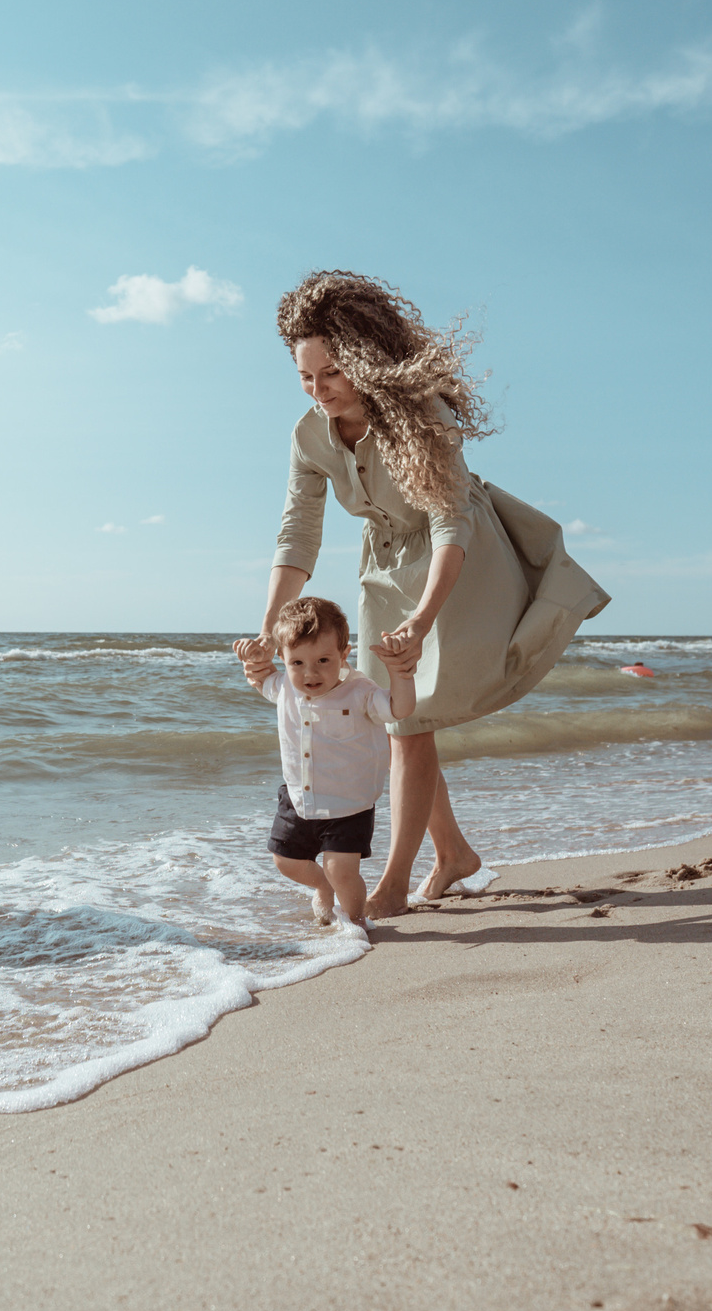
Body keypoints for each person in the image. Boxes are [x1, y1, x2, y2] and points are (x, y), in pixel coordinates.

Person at [259, 271, 608, 919]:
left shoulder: (423, 414)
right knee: (399, 718)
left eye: (331, 372)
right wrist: (268, 627)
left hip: (461, 560)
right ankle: (453, 854)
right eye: (305, 377)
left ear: (365, 359)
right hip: (384, 565)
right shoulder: (309, 436)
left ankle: (393, 885)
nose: (319, 389)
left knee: (407, 722)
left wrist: (422, 620)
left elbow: (452, 523)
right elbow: (298, 534)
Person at [233, 596, 420, 928]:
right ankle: (323, 886)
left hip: (348, 805)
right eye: (297, 663)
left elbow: (399, 709)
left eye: (323, 660)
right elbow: (261, 677)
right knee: (285, 861)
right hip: (299, 797)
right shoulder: (284, 687)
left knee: (341, 870)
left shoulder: (360, 691)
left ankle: (356, 922)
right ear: (283, 658)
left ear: (344, 655)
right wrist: (255, 656)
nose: (311, 673)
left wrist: (400, 673)